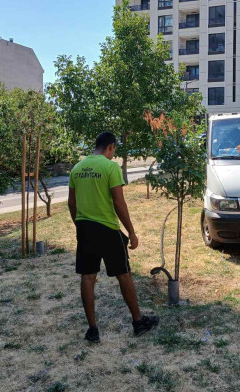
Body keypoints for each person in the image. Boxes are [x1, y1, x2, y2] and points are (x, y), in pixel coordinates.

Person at [68, 132, 159, 343]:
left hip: (85, 229)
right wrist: (132, 232)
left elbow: (71, 204)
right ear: (111, 147)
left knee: (87, 277)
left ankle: (92, 330)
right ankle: (138, 322)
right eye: (114, 150)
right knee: (124, 275)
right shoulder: (110, 167)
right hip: (108, 230)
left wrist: (78, 225)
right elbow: (119, 203)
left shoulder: (77, 168)